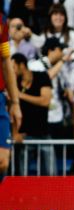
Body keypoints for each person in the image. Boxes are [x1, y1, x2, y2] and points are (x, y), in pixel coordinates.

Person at [11, 53, 53, 176]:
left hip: (43, 133)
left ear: (22, 65)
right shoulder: (13, 82)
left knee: (52, 174)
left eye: (14, 67)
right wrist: (15, 133)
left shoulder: (41, 76)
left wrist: (19, 95)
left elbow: (45, 101)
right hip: (24, 136)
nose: (12, 71)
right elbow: (11, 109)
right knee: (22, 175)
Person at [0, 10, 22, 181]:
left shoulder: (1, 20)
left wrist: (15, 103)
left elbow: (6, 61)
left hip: (0, 99)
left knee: (2, 161)